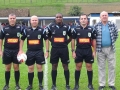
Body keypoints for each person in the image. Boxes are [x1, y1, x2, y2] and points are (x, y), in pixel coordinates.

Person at [18, 15, 49, 90]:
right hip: (30, 52)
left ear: (38, 21)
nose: (34, 21)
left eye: (35, 20)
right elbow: (22, 40)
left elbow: (46, 40)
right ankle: (30, 85)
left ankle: (40, 85)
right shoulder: (26, 30)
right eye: (33, 20)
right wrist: (20, 50)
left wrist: (47, 51)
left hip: (39, 52)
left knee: (39, 68)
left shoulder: (42, 30)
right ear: (30, 21)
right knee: (30, 68)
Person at [44, 13, 72, 90]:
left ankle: (67, 84)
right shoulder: (51, 27)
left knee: (65, 66)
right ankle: (53, 84)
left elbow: (71, 36)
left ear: (62, 18)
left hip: (64, 49)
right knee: (54, 66)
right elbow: (48, 36)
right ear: (55, 18)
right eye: (57, 17)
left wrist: (66, 42)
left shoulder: (67, 27)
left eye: (60, 17)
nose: (59, 18)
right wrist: (52, 41)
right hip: (55, 49)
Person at [94, 11, 118, 90]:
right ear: (100, 17)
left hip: (110, 49)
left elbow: (116, 34)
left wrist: (111, 41)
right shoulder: (96, 26)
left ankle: (111, 83)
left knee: (112, 66)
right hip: (100, 49)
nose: (104, 16)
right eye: (103, 15)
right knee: (101, 67)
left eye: (105, 15)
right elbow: (94, 37)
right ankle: (102, 84)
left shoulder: (112, 24)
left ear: (107, 16)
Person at [71, 14, 96, 90]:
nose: (83, 20)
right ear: (79, 20)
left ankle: (90, 85)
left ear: (87, 20)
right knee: (78, 67)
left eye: (85, 18)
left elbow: (94, 40)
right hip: (79, 50)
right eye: (82, 18)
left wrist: (94, 51)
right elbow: (73, 40)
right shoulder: (75, 29)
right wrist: (73, 51)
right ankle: (76, 85)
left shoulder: (92, 29)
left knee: (89, 67)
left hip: (88, 50)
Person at [0, 13, 23, 90]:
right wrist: (0, 50)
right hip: (7, 51)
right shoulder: (4, 29)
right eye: (11, 18)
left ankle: (17, 85)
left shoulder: (20, 28)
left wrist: (21, 50)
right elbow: (1, 40)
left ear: (15, 19)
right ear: (8, 19)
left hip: (16, 51)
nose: (12, 20)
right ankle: (6, 85)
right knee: (7, 68)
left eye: (13, 18)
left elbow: (23, 38)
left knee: (16, 67)